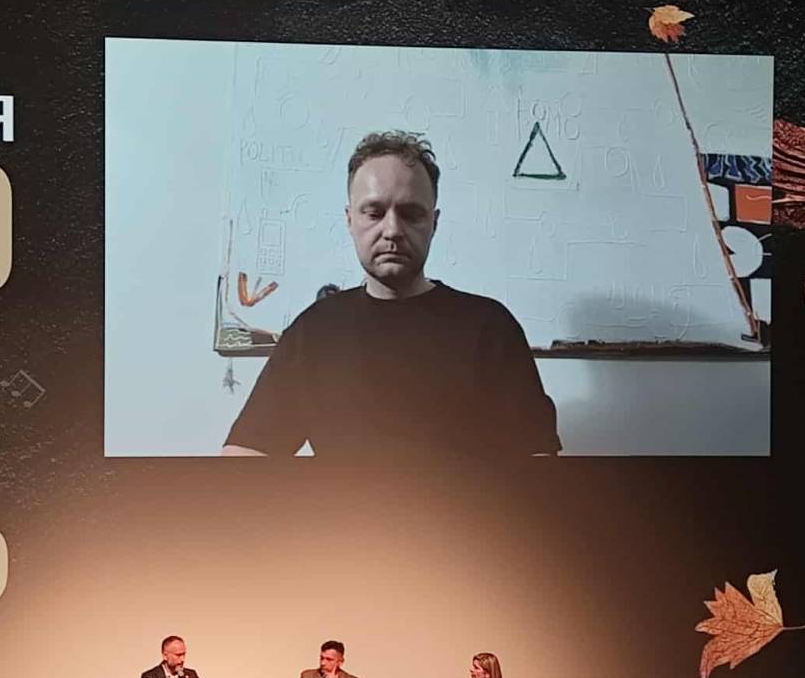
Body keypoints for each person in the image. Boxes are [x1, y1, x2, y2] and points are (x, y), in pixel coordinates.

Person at [221, 130, 560, 462]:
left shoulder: (490, 327)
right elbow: (245, 455)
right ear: (350, 220)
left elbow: (538, 465)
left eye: (411, 214)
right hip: (341, 504)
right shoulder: (314, 332)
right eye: (374, 213)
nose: (393, 230)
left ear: (434, 223)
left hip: (463, 504)